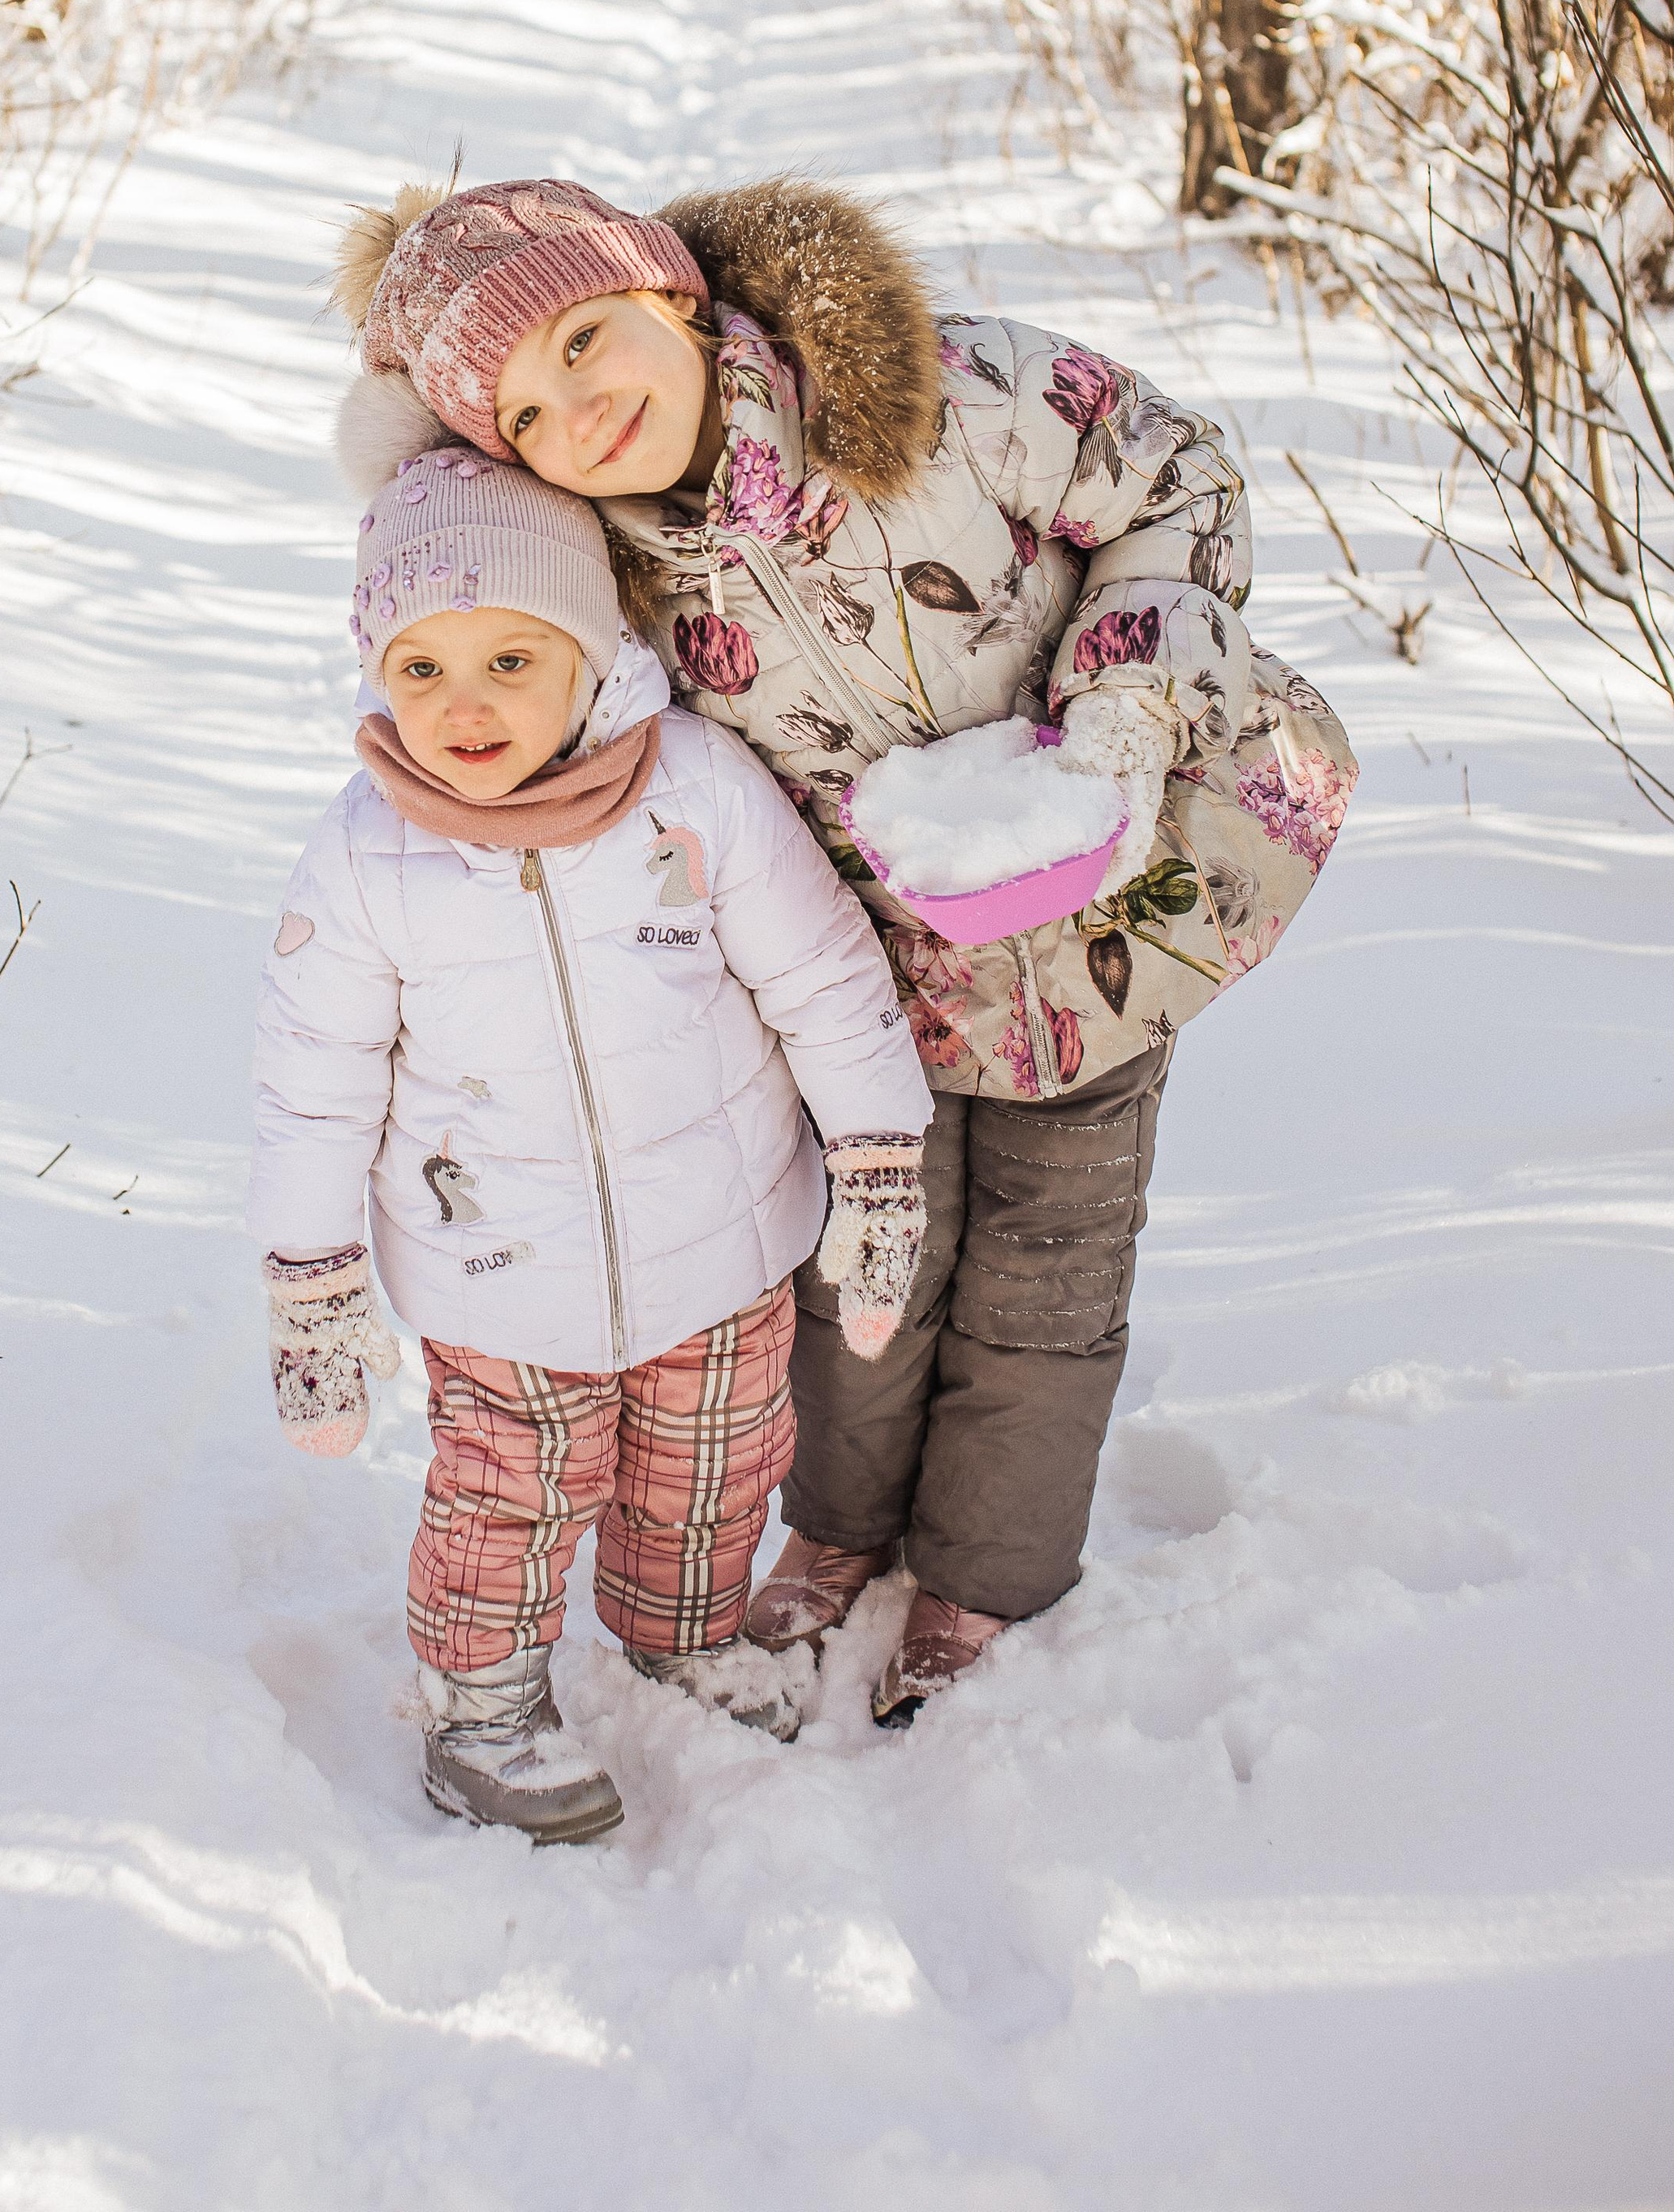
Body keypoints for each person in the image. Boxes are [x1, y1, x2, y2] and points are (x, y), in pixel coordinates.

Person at [332, 175, 1357, 1725]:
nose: (582, 412)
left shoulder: (949, 394)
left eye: (589, 339)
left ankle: (987, 1574)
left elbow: (1174, 481)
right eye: (526, 416)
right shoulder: (606, 575)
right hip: (873, 979)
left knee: (1049, 1269)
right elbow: (533, 695)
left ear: (673, 294)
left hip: (1114, 911)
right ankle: (841, 1527)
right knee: (860, 1267)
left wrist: (1124, 712)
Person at [250, 432, 932, 1842]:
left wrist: (876, 1168)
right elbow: (312, 1091)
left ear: (592, 649)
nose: (466, 706)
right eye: (423, 668)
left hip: (724, 1239)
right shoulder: (365, 856)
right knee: (506, 1499)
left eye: (512, 658)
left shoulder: (695, 787)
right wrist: (314, 1286)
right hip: (498, 1276)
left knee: (715, 1469)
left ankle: (677, 1632)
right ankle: (482, 1697)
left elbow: (823, 978)